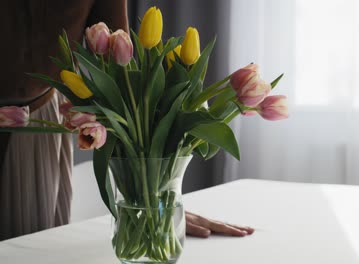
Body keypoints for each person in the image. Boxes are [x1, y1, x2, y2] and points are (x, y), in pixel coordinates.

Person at [0, 0, 253, 241]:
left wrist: (153, 201)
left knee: (31, 248)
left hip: (33, 123)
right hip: (31, 115)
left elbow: (119, 73)